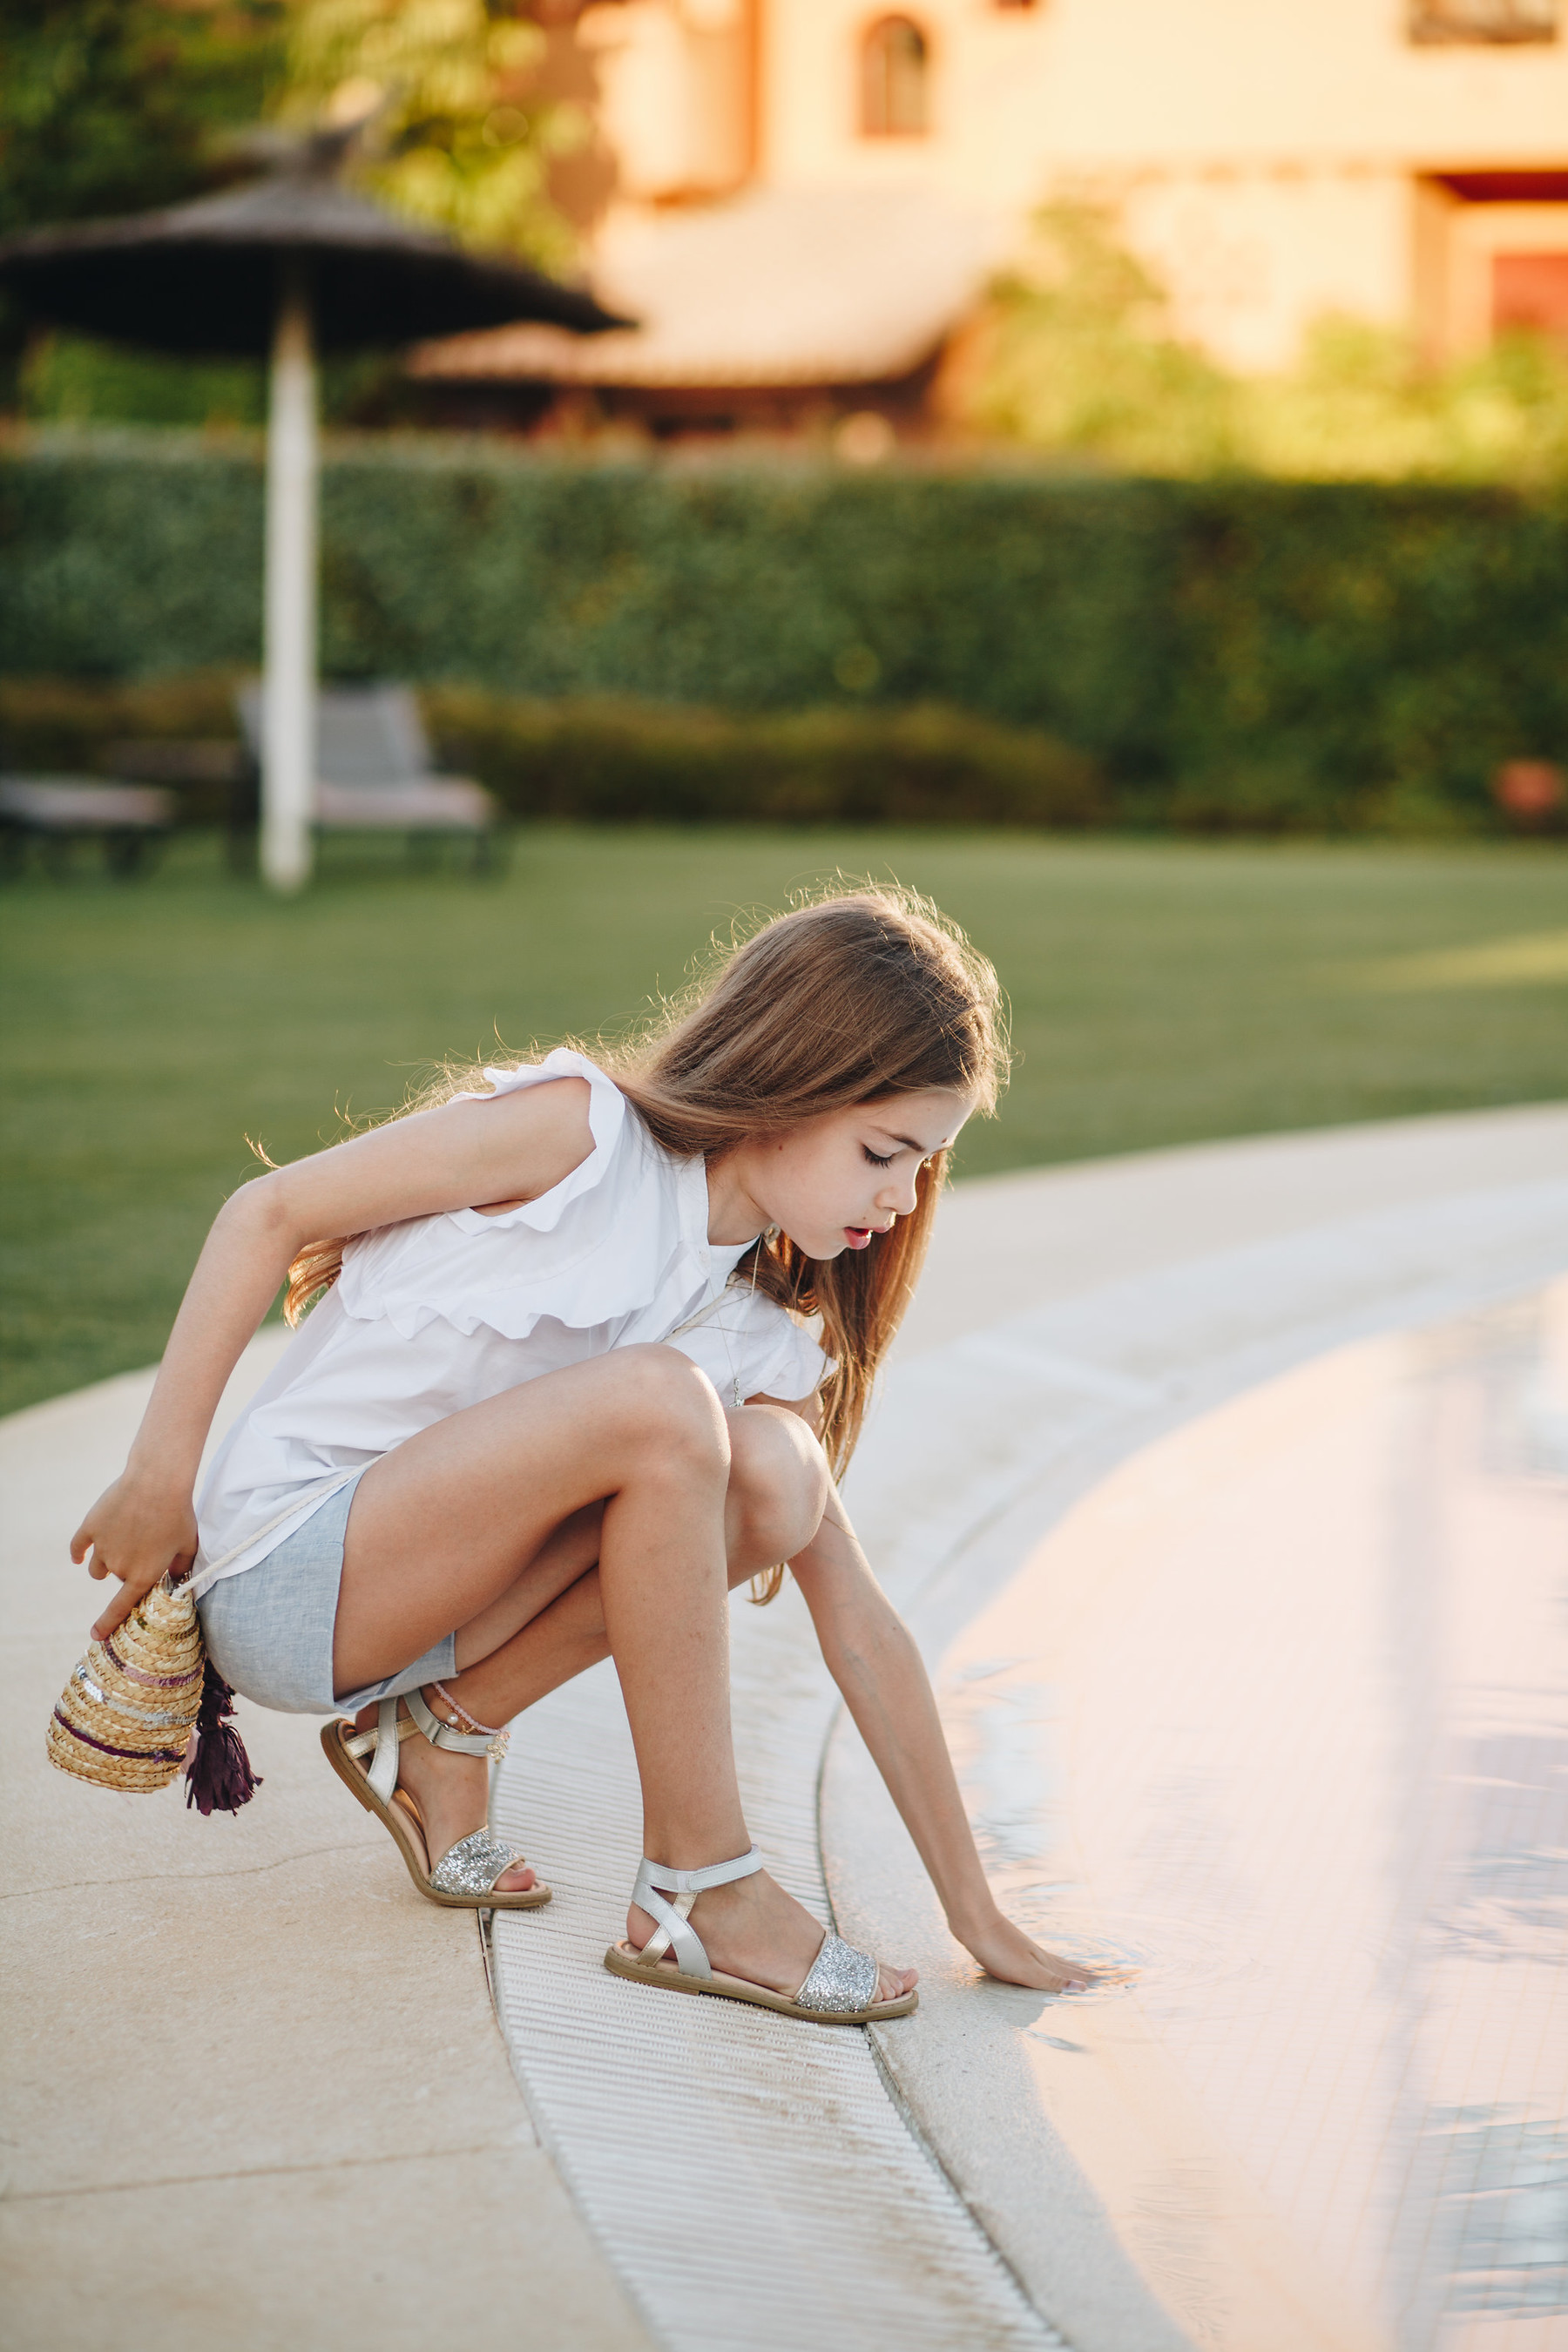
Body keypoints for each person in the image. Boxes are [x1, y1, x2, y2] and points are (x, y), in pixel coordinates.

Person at [71, 887, 1094, 2024]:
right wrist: (161, 1477)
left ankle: (445, 1733)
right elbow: (265, 1211)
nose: (903, 1201)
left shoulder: (741, 1323)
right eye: (884, 1152)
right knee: (665, 1406)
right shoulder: (581, 1136)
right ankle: (703, 1887)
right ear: (791, 1085)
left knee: (777, 1473)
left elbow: (856, 1619)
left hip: (425, 1615)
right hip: (288, 1572)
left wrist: (979, 1916)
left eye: (926, 1167)